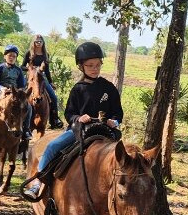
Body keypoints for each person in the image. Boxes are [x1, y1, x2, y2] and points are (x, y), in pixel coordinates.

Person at [22, 41, 122, 200]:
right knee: (52, 146)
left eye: (97, 65)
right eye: (90, 65)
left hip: (105, 131)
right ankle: (38, 183)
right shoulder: (78, 89)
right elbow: (69, 113)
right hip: (79, 130)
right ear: (81, 66)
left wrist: (114, 122)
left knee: (126, 158)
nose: (94, 69)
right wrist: (79, 118)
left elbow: (118, 113)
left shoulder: (109, 88)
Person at [22, 33, 64, 129]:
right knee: (20, 95)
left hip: (41, 78)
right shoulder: (29, 53)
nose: (38, 43)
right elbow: (22, 66)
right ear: (34, 42)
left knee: (53, 97)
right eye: (36, 42)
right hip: (31, 78)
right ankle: (18, 118)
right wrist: (29, 68)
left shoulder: (46, 55)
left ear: (43, 43)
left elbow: (47, 70)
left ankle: (55, 119)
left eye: (40, 41)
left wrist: (51, 82)